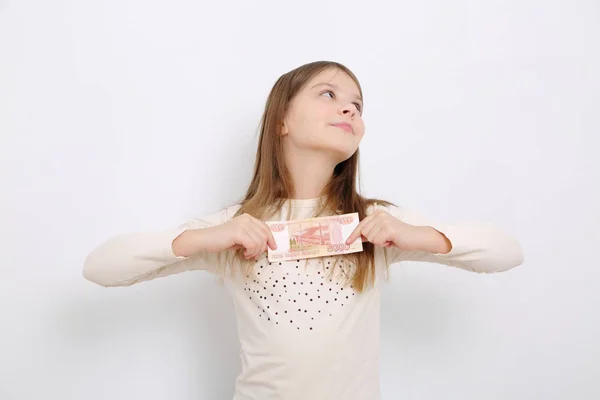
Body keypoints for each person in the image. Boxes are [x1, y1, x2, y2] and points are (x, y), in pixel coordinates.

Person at [83, 60, 524, 400]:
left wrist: (415, 235)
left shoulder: (376, 227)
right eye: (328, 94)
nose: (349, 107)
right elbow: (100, 268)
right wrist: (202, 239)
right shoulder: (236, 229)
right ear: (282, 122)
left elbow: (506, 253)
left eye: (357, 104)